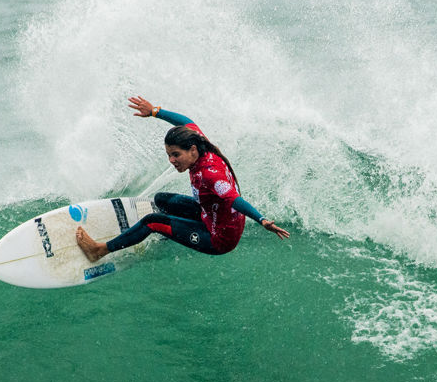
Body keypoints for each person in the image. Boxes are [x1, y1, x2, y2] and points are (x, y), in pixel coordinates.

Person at [75, 96, 290, 262]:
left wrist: (262, 220)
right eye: (169, 154)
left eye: (176, 155)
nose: (171, 160)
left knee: (152, 221)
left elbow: (234, 199)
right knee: (161, 200)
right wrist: (154, 112)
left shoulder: (209, 175)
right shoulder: (200, 143)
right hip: (211, 215)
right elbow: (187, 122)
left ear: (192, 151)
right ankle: (168, 231)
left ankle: (100, 251)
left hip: (218, 238)